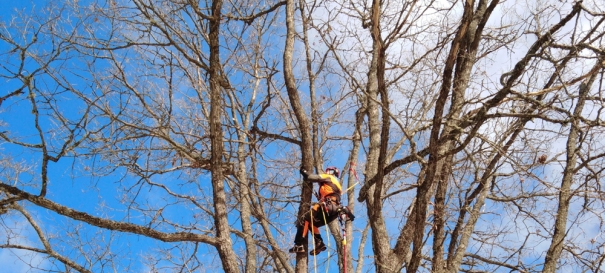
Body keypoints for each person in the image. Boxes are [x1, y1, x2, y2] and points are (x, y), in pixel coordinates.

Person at [289, 166, 355, 255]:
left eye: (328, 171)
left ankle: (298, 245)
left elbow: (310, 177)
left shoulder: (329, 177)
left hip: (327, 206)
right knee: (312, 223)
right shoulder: (336, 186)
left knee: (304, 219)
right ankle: (319, 243)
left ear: (331, 172)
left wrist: (303, 171)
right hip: (333, 211)